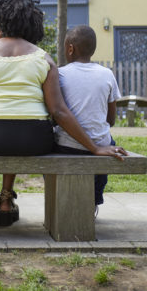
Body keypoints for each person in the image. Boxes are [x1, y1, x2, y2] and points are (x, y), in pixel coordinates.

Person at [0, 0, 127, 228]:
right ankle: (6, 199)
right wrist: (94, 148)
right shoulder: (44, 58)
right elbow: (58, 111)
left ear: (2, 22)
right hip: (35, 141)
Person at [54, 25, 120, 213]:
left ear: (70, 48)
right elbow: (111, 119)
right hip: (100, 143)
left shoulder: (60, 74)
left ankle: (60, 197)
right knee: (109, 142)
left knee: (51, 143)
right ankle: (94, 200)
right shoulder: (107, 74)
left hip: (67, 147)